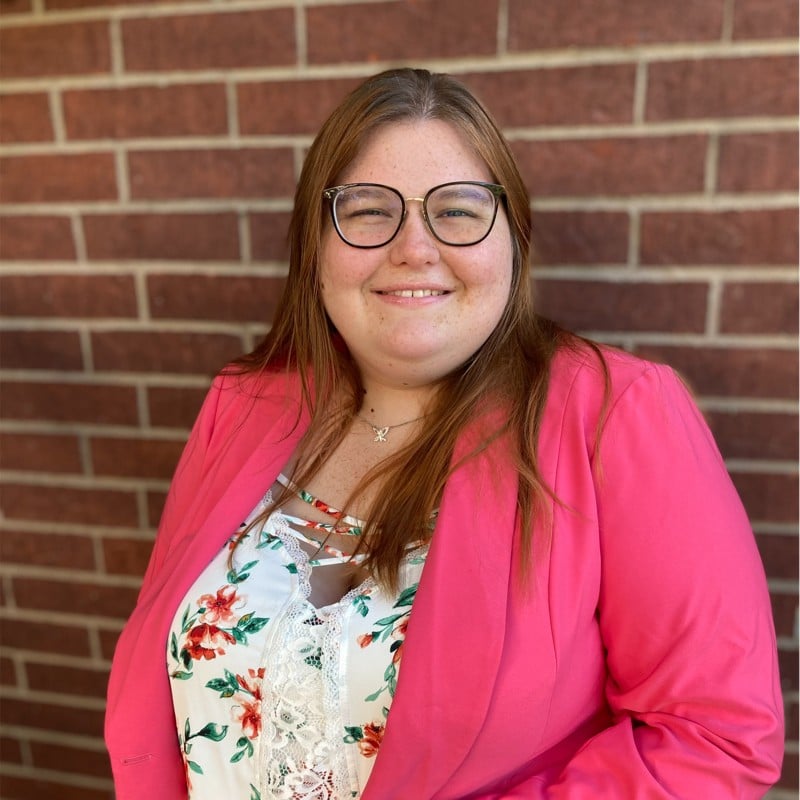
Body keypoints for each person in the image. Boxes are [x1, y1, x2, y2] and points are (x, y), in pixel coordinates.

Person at [105, 68, 784, 799]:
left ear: (512, 239)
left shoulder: (615, 417)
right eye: (367, 211)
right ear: (315, 245)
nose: (415, 248)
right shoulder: (241, 407)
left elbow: (714, 738)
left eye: (459, 212)